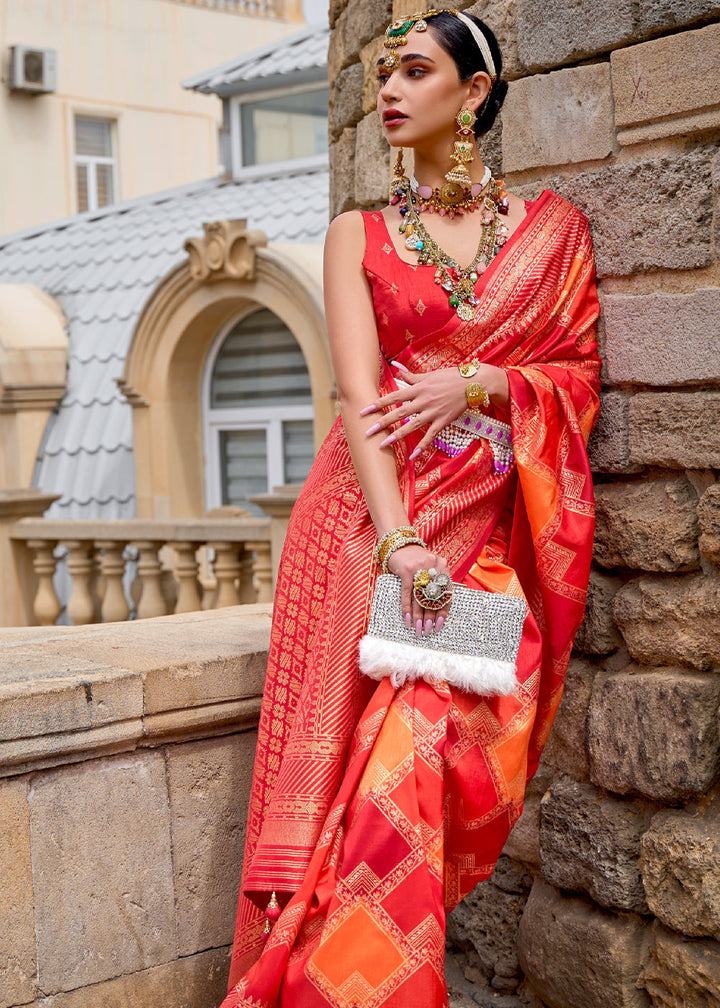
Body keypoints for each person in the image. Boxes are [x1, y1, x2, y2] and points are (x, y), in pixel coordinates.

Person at [219, 9, 600, 1008]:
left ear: (473, 93)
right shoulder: (360, 235)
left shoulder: (552, 233)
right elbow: (358, 404)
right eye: (383, 72)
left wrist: (475, 386)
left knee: (442, 760)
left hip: (486, 532)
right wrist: (397, 550)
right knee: (370, 786)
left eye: (415, 71)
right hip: (366, 534)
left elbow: (574, 374)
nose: (388, 90)